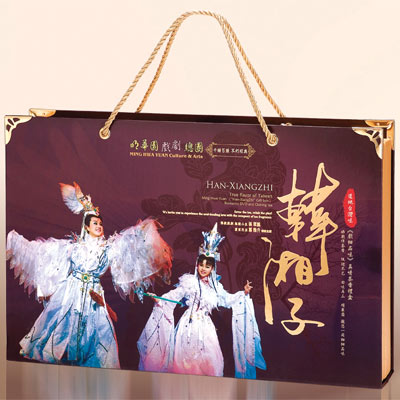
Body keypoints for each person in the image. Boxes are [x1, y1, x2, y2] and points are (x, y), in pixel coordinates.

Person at [6, 182, 172, 368]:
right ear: (86, 227)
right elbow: (44, 253)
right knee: (63, 334)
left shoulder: (108, 248)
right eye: (95, 223)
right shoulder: (73, 248)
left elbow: (128, 246)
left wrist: (142, 233)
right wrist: (19, 245)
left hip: (94, 296)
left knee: (99, 336)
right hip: (71, 295)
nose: (99, 226)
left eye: (100, 223)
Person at [137, 223, 266, 378]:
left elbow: (227, 300)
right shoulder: (189, 282)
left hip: (206, 328)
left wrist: (243, 293)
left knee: (211, 361)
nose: (203, 268)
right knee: (184, 362)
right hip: (188, 326)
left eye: (207, 266)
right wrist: (159, 300)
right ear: (197, 264)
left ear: (212, 268)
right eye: (201, 264)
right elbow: (173, 295)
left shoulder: (215, 287)